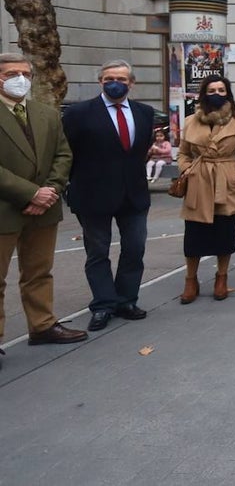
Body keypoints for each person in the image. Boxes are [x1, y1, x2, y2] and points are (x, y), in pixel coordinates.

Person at [0, 53, 86, 366]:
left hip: (44, 207)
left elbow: (63, 155)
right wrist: (31, 194)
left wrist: (50, 191)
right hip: (5, 207)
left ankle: (43, 325)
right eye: (12, 73)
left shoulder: (46, 114)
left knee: (38, 271)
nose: (20, 79)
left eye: (25, 73)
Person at [62, 59, 155, 331]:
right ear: (100, 81)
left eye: (122, 79)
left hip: (134, 195)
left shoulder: (145, 113)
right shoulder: (78, 113)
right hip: (93, 195)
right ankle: (103, 304)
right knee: (98, 252)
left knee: (135, 248)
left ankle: (126, 300)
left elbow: (140, 150)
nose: (116, 83)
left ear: (131, 83)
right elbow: (66, 152)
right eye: (109, 78)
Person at [176, 75, 235, 304]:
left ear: (228, 93)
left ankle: (221, 277)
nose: (217, 94)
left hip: (226, 179)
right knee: (193, 236)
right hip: (198, 181)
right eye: (212, 89)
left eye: (221, 90)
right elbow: (183, 152)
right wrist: (186, 170)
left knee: (225, 233)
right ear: (204, 93)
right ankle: (190, 280)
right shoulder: (191, 120)